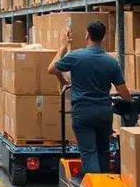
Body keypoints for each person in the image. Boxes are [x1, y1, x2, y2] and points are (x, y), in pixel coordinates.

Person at [48, 20, 131, 178]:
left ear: (87, 35)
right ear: (103, 38)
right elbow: (123, 91)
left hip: (83, 112)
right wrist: (131, 100)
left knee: (88, 153)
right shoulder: (111, 62)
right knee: (103, 151)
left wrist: (62, 47)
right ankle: (106, 186)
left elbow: (51, 69)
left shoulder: (76, 56)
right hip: (104, 112)